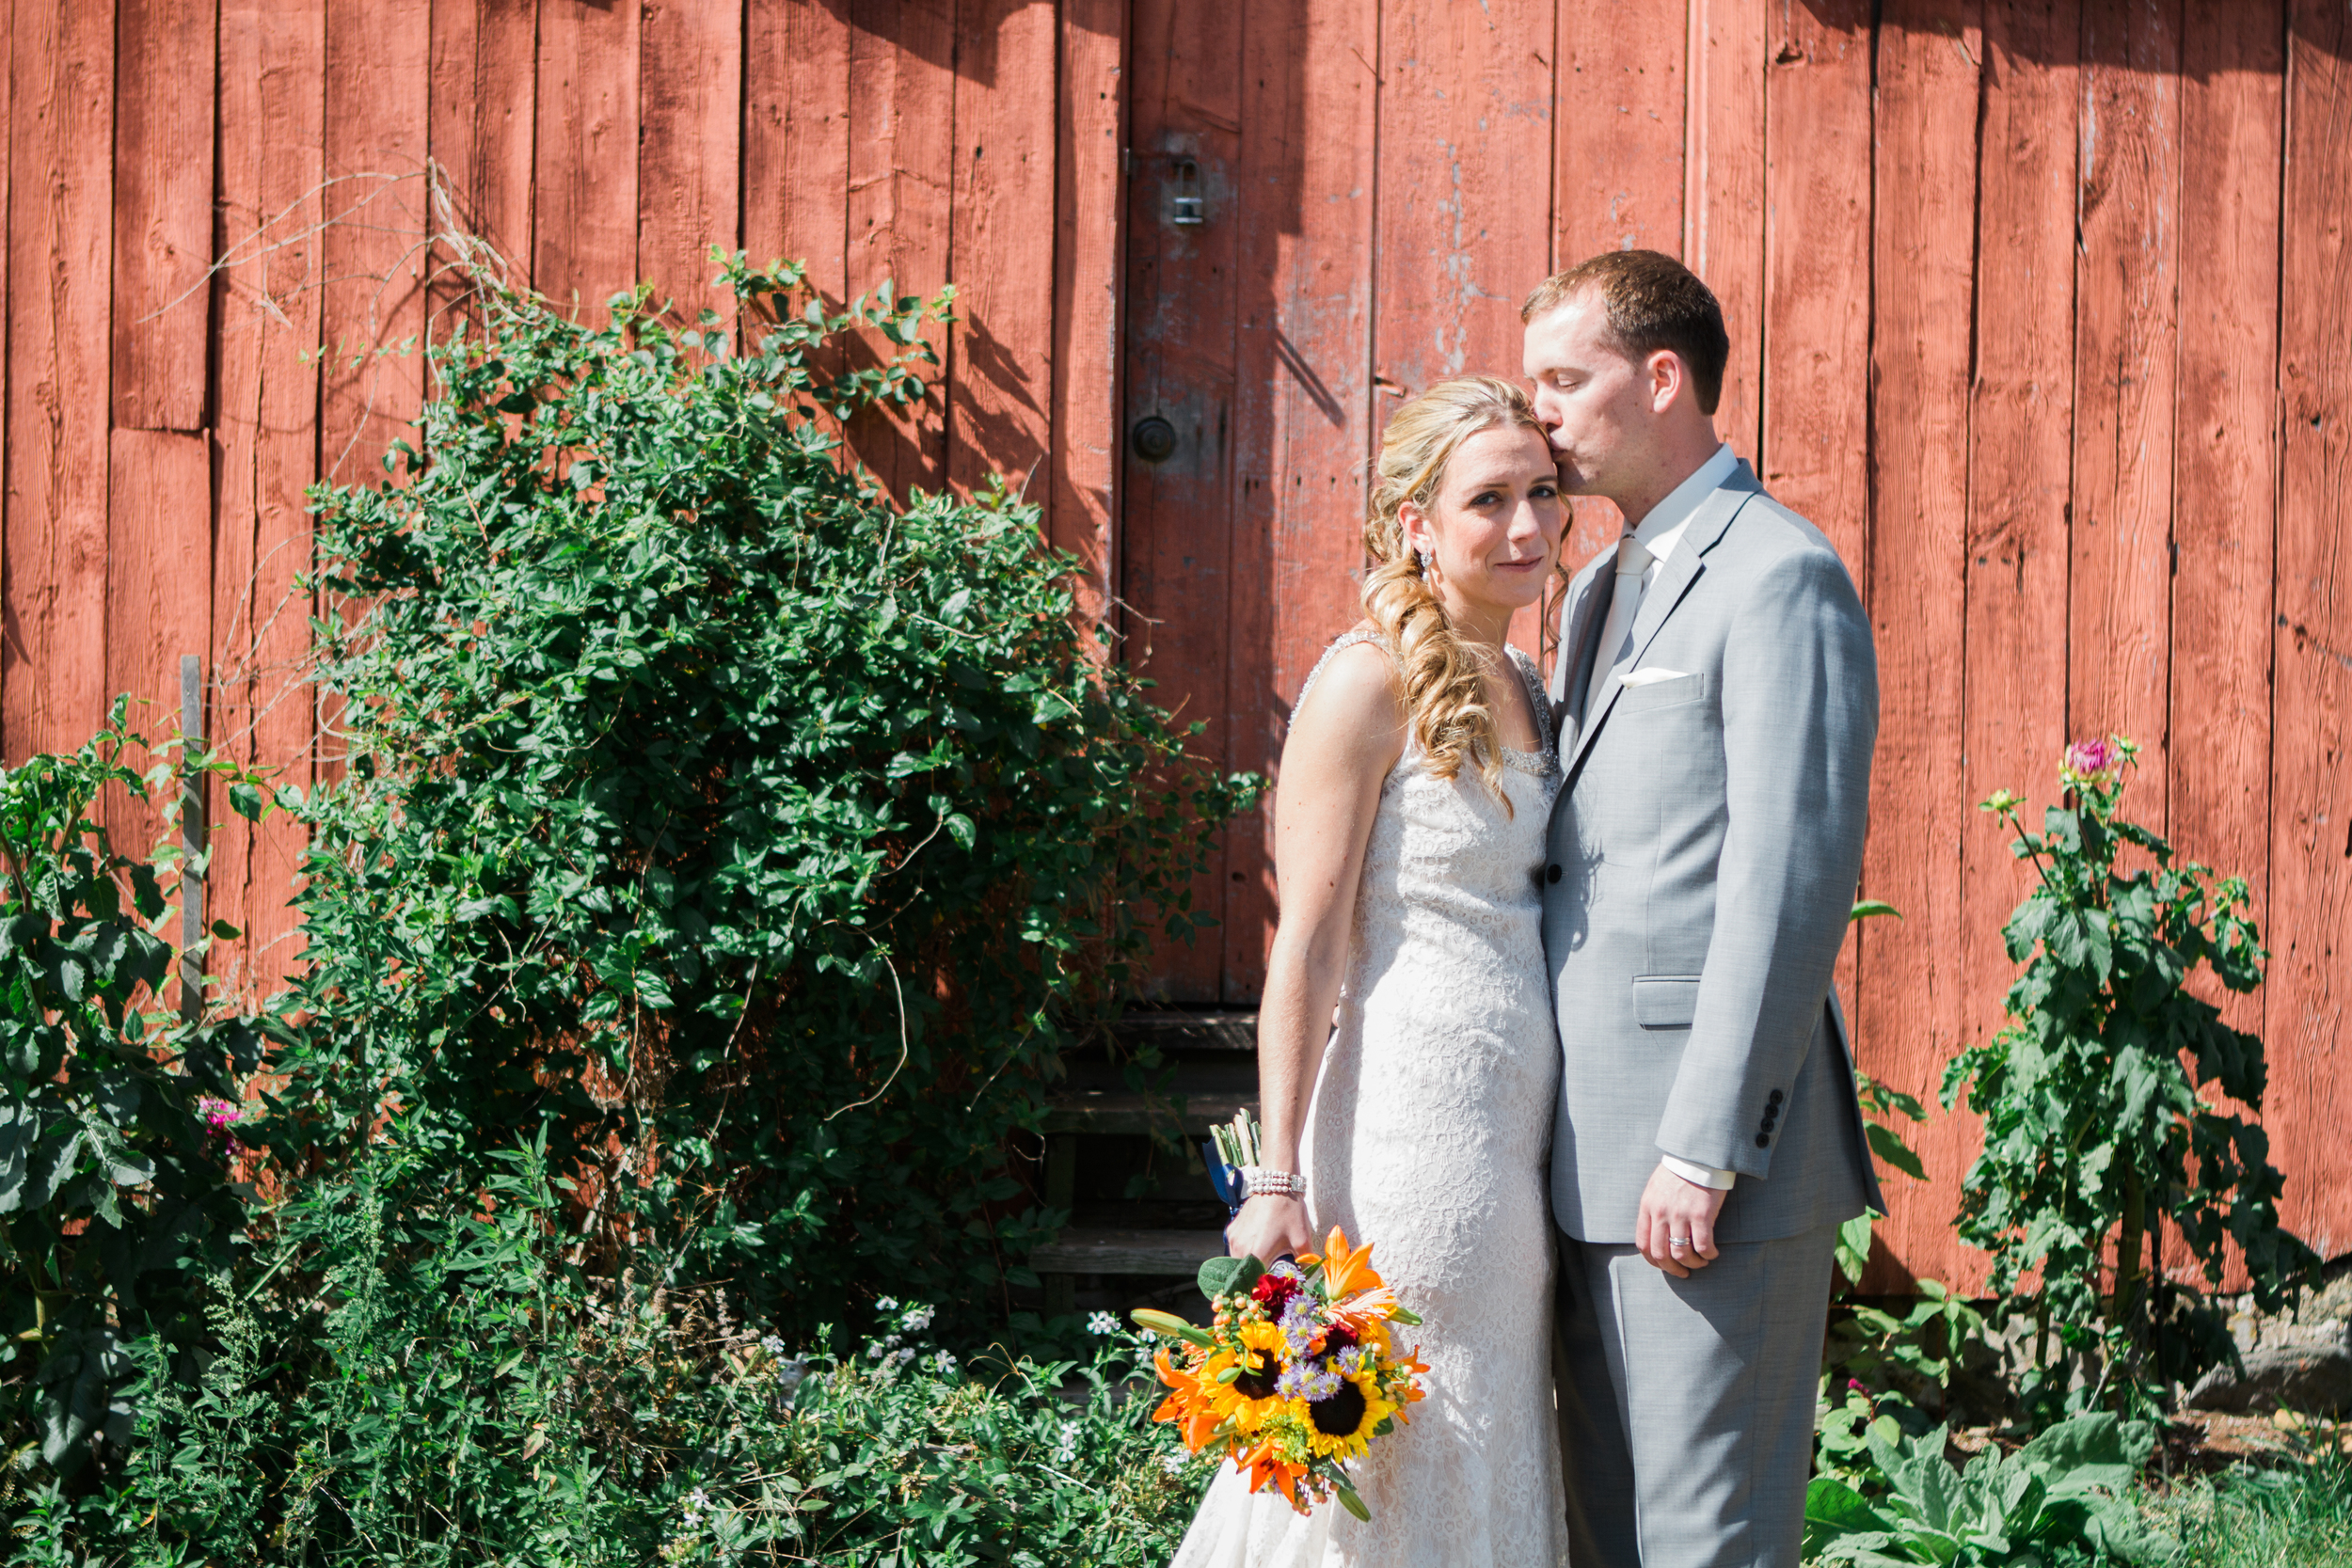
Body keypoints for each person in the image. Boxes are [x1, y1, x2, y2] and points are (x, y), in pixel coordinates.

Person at [1171, 375, 1571, 1568]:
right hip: (1410, 1118)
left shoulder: (1525, 683)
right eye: (1487, 500)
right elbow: (1308, 936)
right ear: (1413, 519)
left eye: (1542, 494)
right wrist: (1277, 1174)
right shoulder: (1364, 678)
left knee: (1488, 1411)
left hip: (1514, 1121)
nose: (1526, 528)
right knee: (1399, 1433)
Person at [1525, 248, 1884, 1567]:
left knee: (1706, 1544)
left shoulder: (1778, 574)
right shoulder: (1600, 588)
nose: (1543, 413)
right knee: (1610, 1538)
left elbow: (1790, 877)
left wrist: (1707, 1143)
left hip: (1704, 1163)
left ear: (1662, 375)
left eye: (1567, 379)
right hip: (1580, 1161)